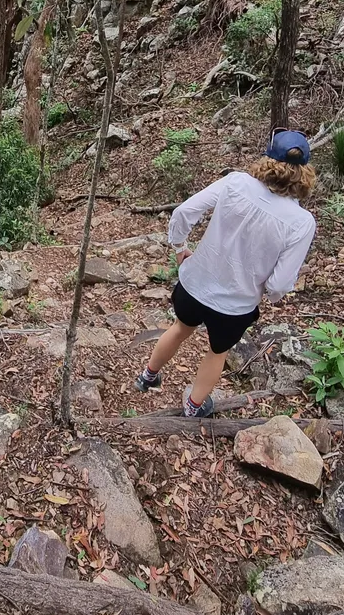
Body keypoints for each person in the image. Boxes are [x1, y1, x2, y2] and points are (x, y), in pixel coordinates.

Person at [135, 129, 317, 418]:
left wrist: (180, 248)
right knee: (217, 352)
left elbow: (184, 211)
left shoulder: (236, 183)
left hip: (195, 282)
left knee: (180, 328)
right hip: (236, 304)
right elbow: (280, 283)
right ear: (304, 171)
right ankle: (194, 407)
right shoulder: (301, 222)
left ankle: (147, 376)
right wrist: (268, 291)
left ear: (267, 158)